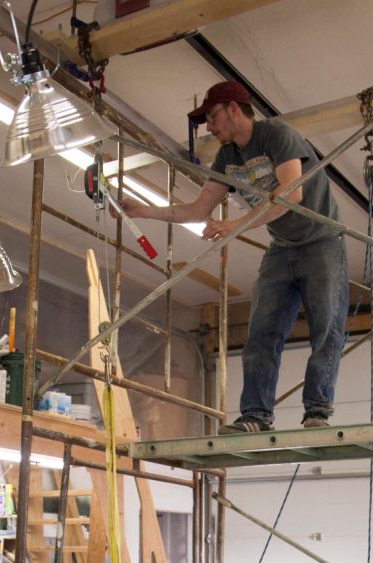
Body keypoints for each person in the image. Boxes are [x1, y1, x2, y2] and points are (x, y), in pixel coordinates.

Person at [116, 80, 349, 433]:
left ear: (234, 109)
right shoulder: (227, 158)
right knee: (261, 330)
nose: (209, 127)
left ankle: (317, 410)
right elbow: (198, 209)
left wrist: (236, 224)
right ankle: (256, 415)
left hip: (322, 241)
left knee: (326, 324)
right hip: (283, 247)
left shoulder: (277, 135)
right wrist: (144, 211)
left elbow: (292, 193)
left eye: (212, 117)